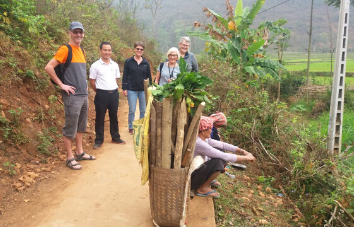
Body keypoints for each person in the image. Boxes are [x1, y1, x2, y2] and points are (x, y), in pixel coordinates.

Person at [44, 21, 95, 170]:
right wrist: (62, 85)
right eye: (75, 32)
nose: (78, 35)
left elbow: (79, 71)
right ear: (70, 33)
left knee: (80, 125)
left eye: (81, 32)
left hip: (83, 94)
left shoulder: (82, 50)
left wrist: (85, 84)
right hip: (72, 96)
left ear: (83, 34)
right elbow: (49, 67)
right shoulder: (65, 49)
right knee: (70, 127)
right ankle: (69, 157)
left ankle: (79, 152)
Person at [191, 116, 256, 198]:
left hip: (196, 173)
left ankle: (206, 181)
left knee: (220, 151)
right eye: (209, 129)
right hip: (191, 180)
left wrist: (242, 151)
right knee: (219, 162)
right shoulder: (199, 143)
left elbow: (223, 145)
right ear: (203, 131)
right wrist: (246, 158)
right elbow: (223, 156)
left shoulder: (204, 139)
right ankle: (202, 189)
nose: (211, 131)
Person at [89, 42, 126, 150]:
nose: (107, 52)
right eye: (105, 50)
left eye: (109, 50)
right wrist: (100, 91)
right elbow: (92, 81)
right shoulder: (95, 65)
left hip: (114, 94)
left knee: (114, 116)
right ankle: (99, 140)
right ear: (100, 51)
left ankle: (115, 137)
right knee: (100, 117)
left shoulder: (114, 65)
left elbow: (115, 79)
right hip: (101, 94)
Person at [122, 41, 152, 135]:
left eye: (141, 49)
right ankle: (131, 127)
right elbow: (125, 75)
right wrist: (124, 88)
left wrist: (150, 88)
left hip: (143, 90)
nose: (139, 50)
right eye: (137, 49)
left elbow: (149, 76)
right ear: (134, 49)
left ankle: (141, 126)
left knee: (143, 109)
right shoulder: (128, 62)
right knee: (132, 109)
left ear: (143, 51)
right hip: (131, 89)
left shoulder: (145, 63)